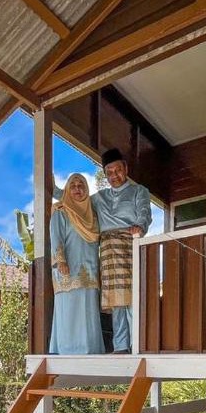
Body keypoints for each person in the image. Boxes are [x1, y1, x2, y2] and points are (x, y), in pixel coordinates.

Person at [91, 148, 152, 353]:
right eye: (109, 172)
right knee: (116, 299)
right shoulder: (98, 197)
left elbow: (144, 212)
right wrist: (54, 191)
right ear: (105, 175)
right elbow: (77, 204)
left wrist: (140, 226)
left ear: (125, 168)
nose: (114, 175)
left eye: (117, 170)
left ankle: (137, 344)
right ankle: (120, 346)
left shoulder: (139, 191)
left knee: (133, 295)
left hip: (129, 244)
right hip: (108, 249)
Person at [48, 173, 104, 355]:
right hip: (68, 268)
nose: (77, 189)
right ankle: (67, 350)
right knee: (69, 309)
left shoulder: (93, 215)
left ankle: (90, 350)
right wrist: (60, 260)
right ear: (67, 190)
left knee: (88, 310)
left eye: (81, 185)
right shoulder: (61, 211)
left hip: (90, 269)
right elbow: (56, 237)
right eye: (73, 186)